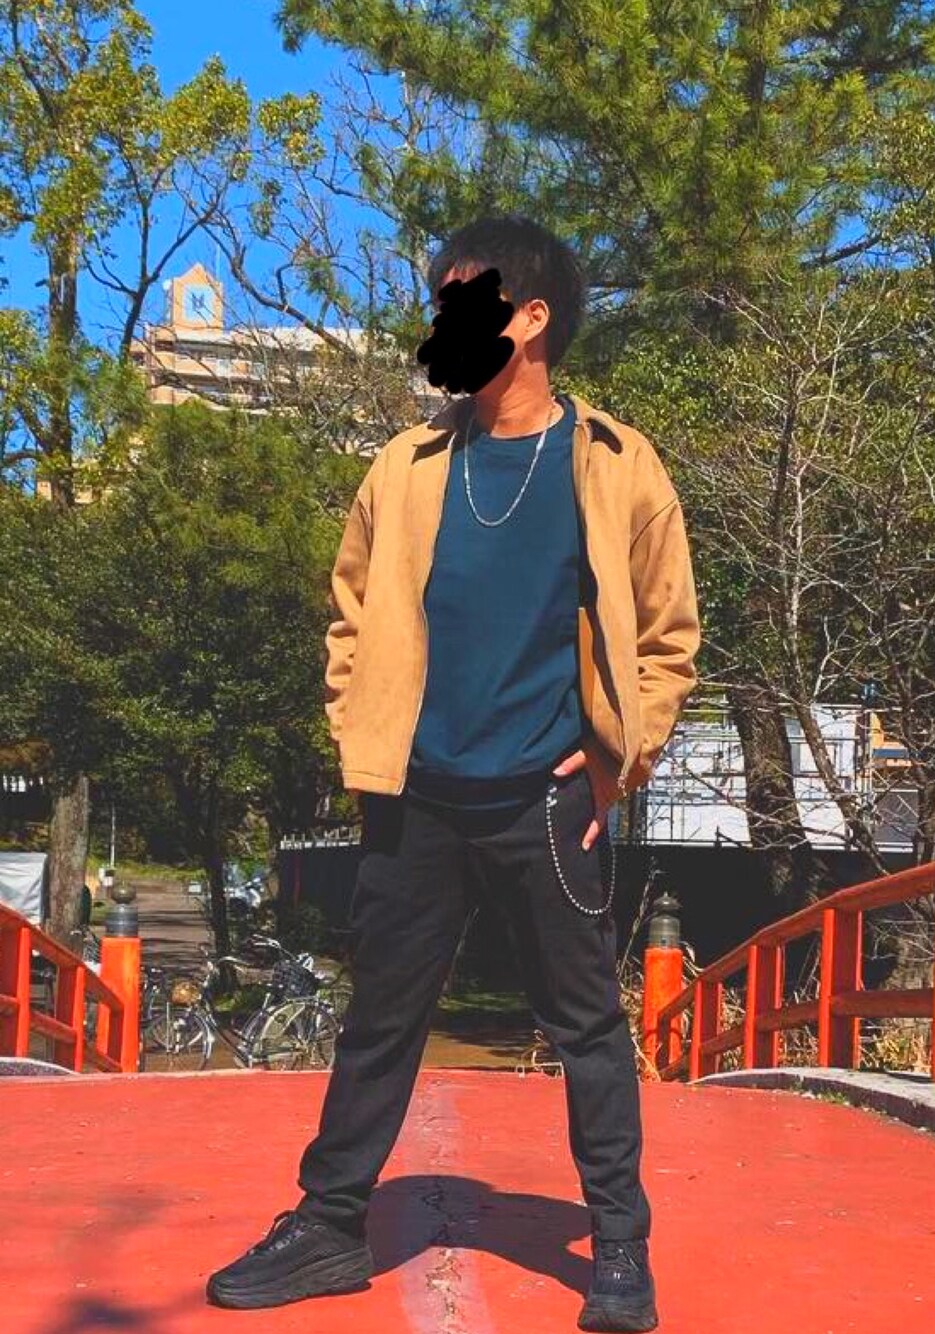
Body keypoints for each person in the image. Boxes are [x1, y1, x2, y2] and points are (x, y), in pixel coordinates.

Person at [206, 215, 700, 1332]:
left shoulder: (617, 465)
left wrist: (619, 756)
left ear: (530, 320)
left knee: (586, 1027)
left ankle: (619, 1245)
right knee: (378, 1021)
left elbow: (669, 637)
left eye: (459, 303)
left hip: (548, 800)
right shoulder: (408, 464)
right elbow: (350, 611)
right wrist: (360, 727)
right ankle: (331, 1226)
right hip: (417, 797)